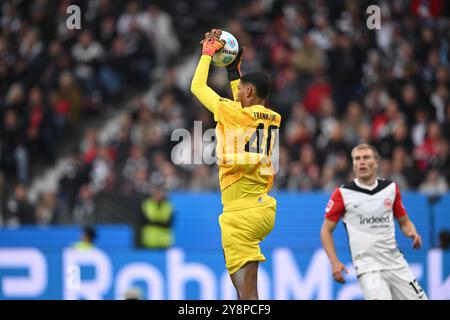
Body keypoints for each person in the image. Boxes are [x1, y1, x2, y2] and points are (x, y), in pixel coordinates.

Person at [191, 29, 281, 300]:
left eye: (240, 89)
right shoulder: (273, 117)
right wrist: (234, 70)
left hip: (240, 213)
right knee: (245, 294)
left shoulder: (232, 113)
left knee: (247, 297)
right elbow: (244, 104)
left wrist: (207, 55)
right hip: (262, 208)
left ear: (250, 91)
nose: (236, 93)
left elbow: (197, 87)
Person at [320, 143, 428, 300]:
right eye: (357, 158)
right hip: (368, 269)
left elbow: (404, 222)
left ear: (376, 162)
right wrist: (334, 262)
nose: (361, 162)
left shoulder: (390, 188)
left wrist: (412, 233)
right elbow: (325, 230)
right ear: (353, 164)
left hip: (396, 264)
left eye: (366, 157)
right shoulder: (342, 193)